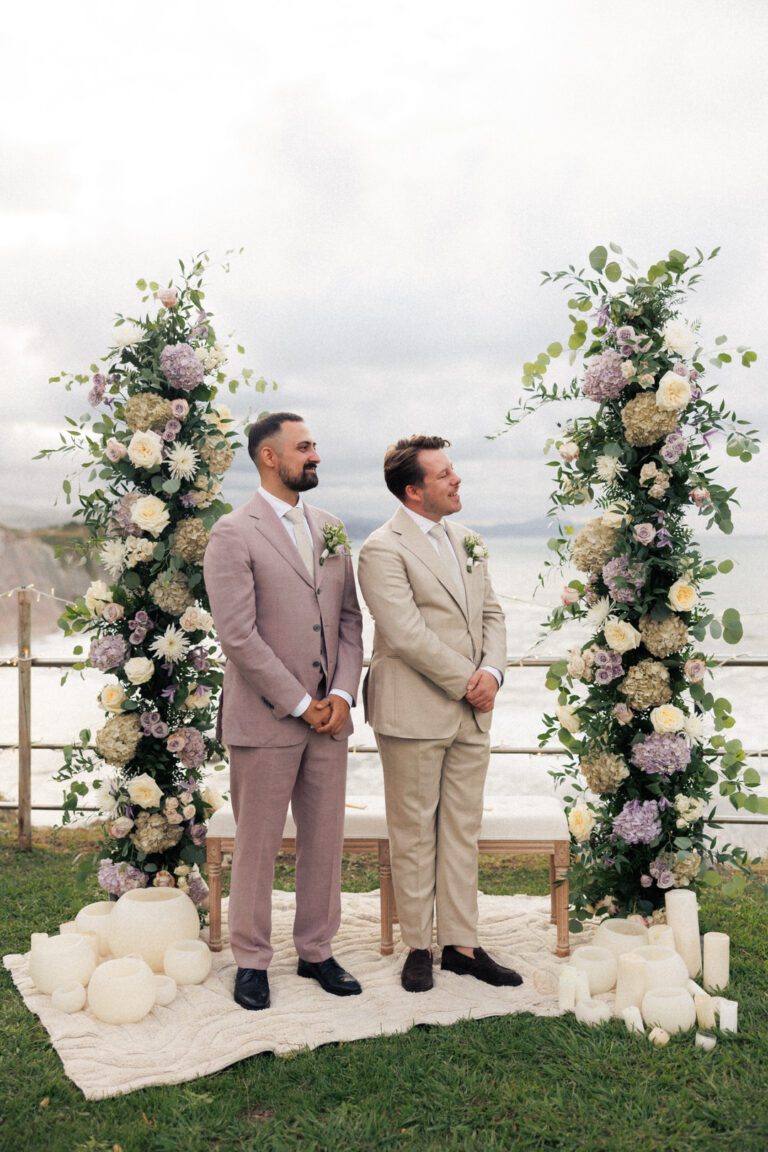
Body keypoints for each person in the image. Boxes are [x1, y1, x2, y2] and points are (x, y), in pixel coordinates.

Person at [204, 412, 364, 1010]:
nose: (314, 454)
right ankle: (251, 959)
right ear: (269, 457)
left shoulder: (333, 527)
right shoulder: (232, 533)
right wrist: (301, 704)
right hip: (267, 718)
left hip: (331, 719)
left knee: (325, 841)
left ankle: (317, 951)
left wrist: (343, 697)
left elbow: (350, 620)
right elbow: (238, 636)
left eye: (315, 445)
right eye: (304, 447)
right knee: (258, 845)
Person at [358, 435, 522, 993]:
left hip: (472, 713)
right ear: (414, 489)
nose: (457, 480)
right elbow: (405, 635)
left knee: (461, 830)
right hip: (413, 711)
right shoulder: (381, 548)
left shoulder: (470, 540)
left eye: (453, 470)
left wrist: (494, 674)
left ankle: (462, 945)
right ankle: (416, 947)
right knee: (412, 833)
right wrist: (467, 682)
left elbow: (494, 615)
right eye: (445, 474)